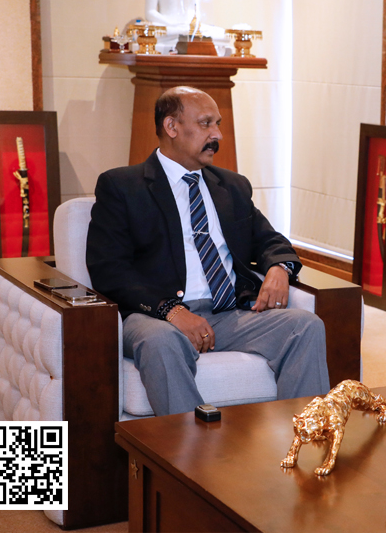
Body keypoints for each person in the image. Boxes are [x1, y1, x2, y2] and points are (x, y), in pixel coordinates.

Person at [86, 86, 330, 416]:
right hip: (154, 316)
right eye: (205, 124)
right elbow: (108, 268)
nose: (217, 135)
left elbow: (270, 240)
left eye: (217, 124)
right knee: (162, 342)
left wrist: (278, 269)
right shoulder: (122, 187)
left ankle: (302, 445)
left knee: (306, 326)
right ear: (171, 127)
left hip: (230, 313)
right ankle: (190, 458)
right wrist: (172, 311)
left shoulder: (231, 185)